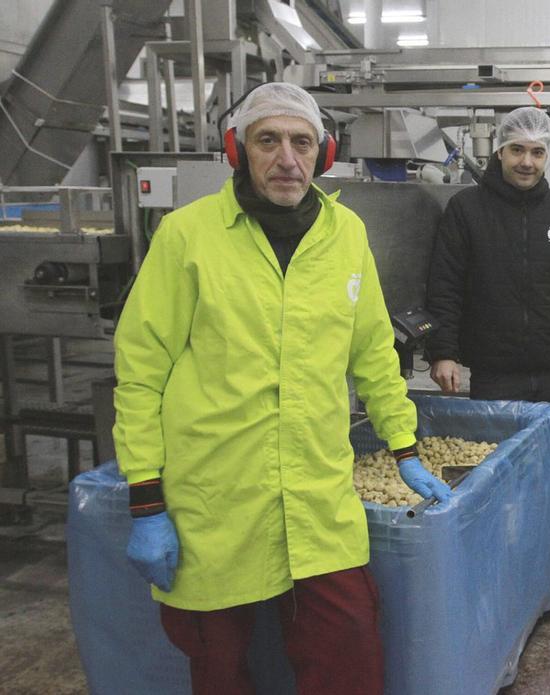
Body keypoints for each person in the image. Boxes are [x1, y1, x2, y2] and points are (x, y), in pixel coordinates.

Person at [113, 82, 450, 694]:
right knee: (218, 667)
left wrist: (404, 446)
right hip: (216, 497)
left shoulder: (345, 233)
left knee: (350, 655)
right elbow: (140, 374)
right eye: (267, 141)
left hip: (316, 493)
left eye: (301, 142)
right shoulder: (187, 236)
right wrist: (147, 503)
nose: (286, 159)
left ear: (323, 154)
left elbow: (374, 349)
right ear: (238, 151)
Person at [425, 106, 550, 602]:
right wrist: (444, 351)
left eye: (537, 152)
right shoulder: (467, 210)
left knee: (545, 475)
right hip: (495, 371)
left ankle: (546, 568)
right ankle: (499, 567)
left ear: (549, 156)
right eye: (517, 150)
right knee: (493, 476)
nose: (527, 161)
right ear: (499, 152)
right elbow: (445, 286)